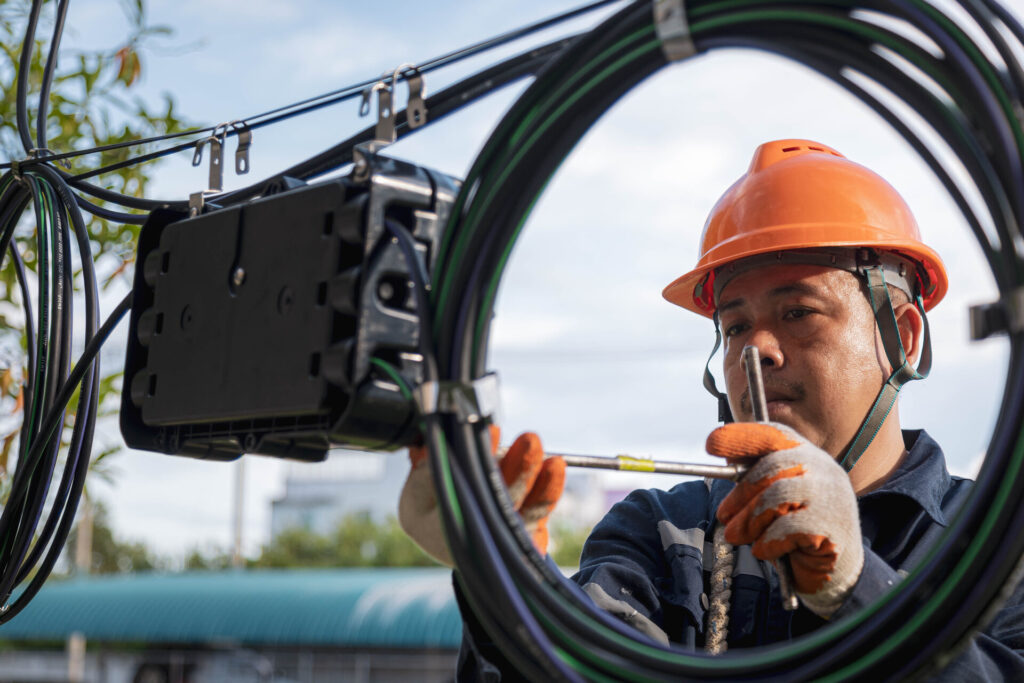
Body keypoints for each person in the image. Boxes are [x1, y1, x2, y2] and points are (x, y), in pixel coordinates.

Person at [399, 139, 1024, 679]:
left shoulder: (998, 543)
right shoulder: (665, 536)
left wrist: (858, 587)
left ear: (903, 338)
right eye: (734, 326)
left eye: (799, 312)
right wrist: (505, 580)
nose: (758, 349)